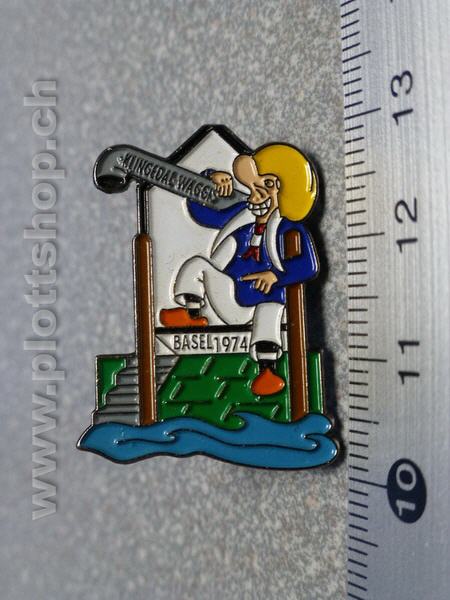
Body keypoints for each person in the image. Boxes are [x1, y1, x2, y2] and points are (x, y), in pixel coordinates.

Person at [160, 144, 319, 396]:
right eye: (252, 188)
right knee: (198, 265)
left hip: (262, 301)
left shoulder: (290, 230)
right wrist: (210, 180)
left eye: (266, 186)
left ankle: (267, 372)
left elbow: (308, 265)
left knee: (270, 311)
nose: (256, 196)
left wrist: (276, 275)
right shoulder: (240, 218)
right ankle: (190, 313)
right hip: (228, 296)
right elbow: (201, 212)